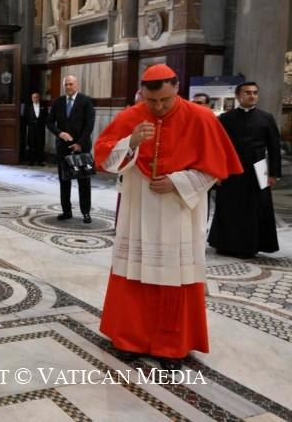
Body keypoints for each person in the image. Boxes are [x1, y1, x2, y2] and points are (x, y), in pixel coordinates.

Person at [94, 64, 241, 371]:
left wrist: (178, 181)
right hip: (139, 207)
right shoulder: (130, 117)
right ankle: (130, 338)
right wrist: (131, 142)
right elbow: (104, 158)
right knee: (134, 272)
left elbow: (217, 170)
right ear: (142, 94)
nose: (158, 107)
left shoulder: (200, 117)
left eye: (164, 100)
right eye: (151, 101)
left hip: (179, 208)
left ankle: (171, 345)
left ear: (176, 88)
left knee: (175, 276)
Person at [209, 82, 281, 259]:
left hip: (258, 168)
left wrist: (274, 173)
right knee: (228, 206)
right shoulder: (225, 118)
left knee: (255, 207)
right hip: (231, 168)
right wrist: (216, 172)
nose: (252, 96)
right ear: (238, 96)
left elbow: (274, 147)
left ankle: (251, 246)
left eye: (255, 92)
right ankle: (225, 244)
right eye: (247, 92)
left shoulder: (266, 118)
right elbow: (217, 147)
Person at [47, 74, 96, 222]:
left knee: (83, 181)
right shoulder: (58, 102)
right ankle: (66, 211)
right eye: (66, 84)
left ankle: (85, 212)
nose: (68, 87)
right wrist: (59, 133)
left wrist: (79, 143)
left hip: (81, 147)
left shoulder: (85, 101)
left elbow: (89, 125)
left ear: (77, 85)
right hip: (63, 147)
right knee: (64, 181)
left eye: (71, 84)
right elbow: (50, 122)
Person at [26, 92, 47, 165]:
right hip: (32, 129)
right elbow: (26, 117)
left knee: (40, 144)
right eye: (33, 97)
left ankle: (40, 161)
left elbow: (46, 116)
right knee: (31, 144)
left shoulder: (43, 107)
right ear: (32, 99)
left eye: (36, 97)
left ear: (39, 98)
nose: (35, 98)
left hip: (40, 129)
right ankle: (31, 161)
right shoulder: (28, 107)